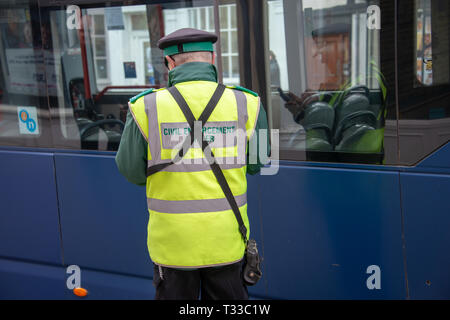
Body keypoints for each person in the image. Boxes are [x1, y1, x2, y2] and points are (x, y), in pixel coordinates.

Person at [115, 28, 269, 300]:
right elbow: (259, 163)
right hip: (227, 240)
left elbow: (132, 171)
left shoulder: (145, 107)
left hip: (173, 246)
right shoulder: (249, 102)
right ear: (212, 60)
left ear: (170, 63)